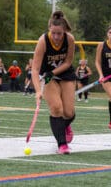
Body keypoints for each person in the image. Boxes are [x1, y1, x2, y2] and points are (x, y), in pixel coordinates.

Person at [31, 10, 76, 154]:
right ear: (50, 28)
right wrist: (38, 90)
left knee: (69, 113)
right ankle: (62, 145)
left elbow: (68, 62)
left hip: (64, 73)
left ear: (64, 31)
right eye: (54, 33)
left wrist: (54, 73)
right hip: (47, 77)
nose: (56, 37)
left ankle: (62, 127)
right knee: (57, 108)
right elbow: (35, 69)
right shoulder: (43, 41)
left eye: (60, 34)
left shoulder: (70, 40)